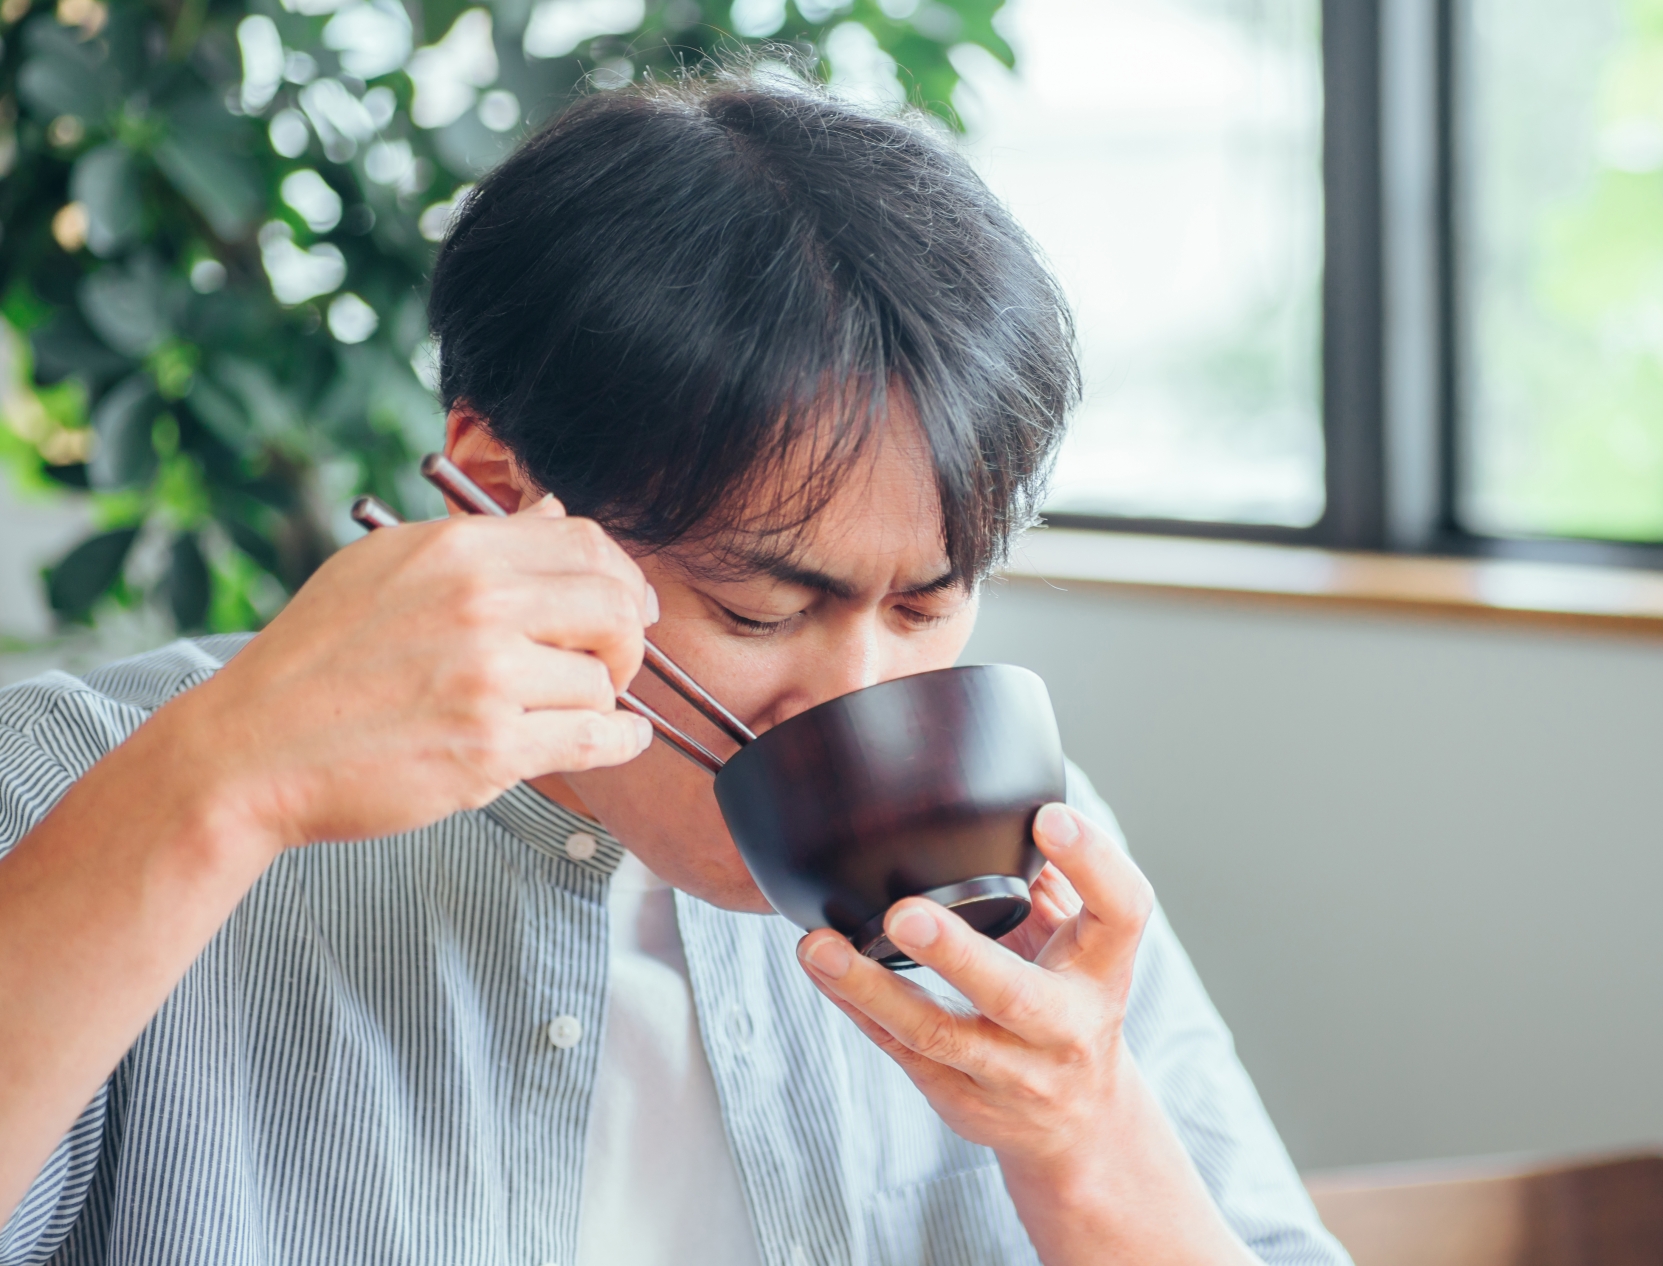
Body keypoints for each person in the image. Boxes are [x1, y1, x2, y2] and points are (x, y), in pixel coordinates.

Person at [0, 74, 1350, 1266]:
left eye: (930, 605)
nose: (862, 699)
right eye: (762, 610)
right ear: (493, 495)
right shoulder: (81, 787)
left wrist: (1086, 1137)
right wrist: (213, 794)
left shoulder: (1031, 867)